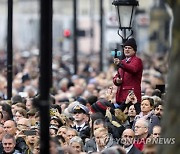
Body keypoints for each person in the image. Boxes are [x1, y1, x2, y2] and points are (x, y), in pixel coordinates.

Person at [113, 38, 143, 105]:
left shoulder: (137, 60)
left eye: (129, 48)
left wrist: (120, 64)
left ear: (134, 50)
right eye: (125, 48)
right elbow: (116, 76)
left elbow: (133, 69)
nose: (126, 49)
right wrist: (116, 80)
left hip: (132, 97)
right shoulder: (123, 61)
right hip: (121, 97)